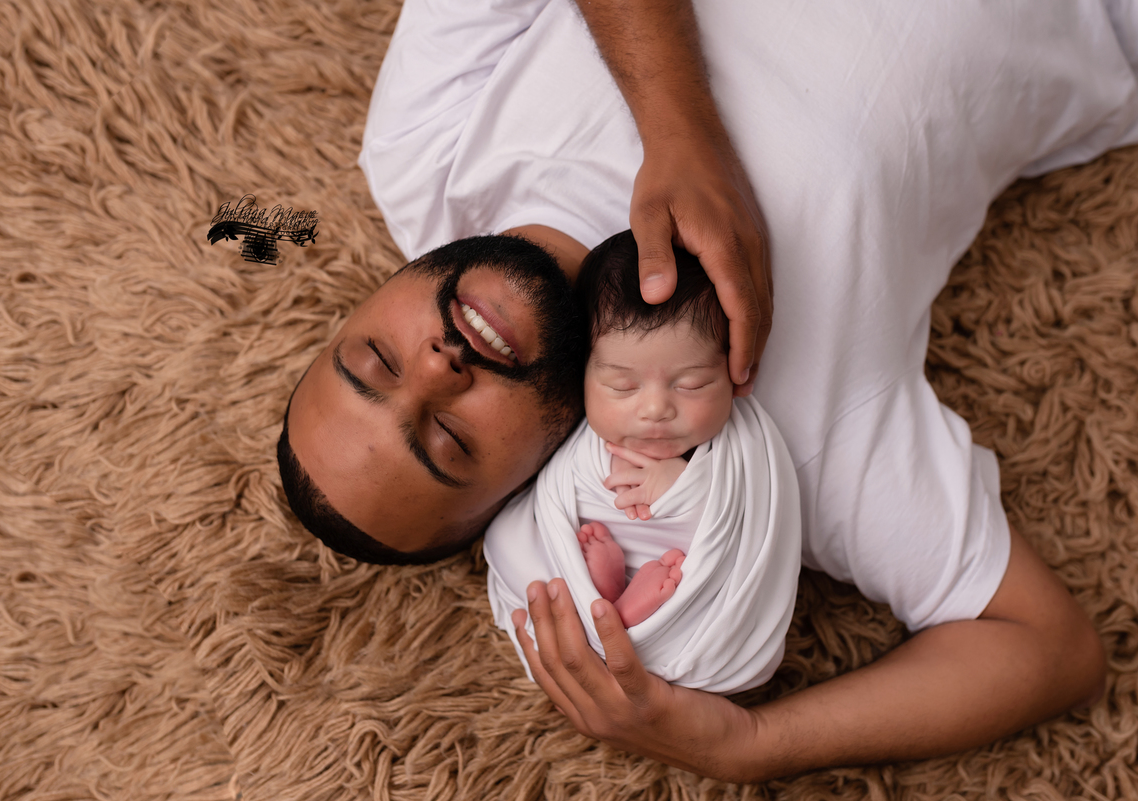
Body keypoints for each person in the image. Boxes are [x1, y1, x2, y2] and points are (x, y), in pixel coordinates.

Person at [281, 0, 1138, 782]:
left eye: (374, 361)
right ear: (519, 492)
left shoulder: (425, 148)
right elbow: (1051, 648)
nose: (436, 365)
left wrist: (682, 132)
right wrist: (749, 746)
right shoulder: (776, 447)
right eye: (448, 440)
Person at [483, 230, 801, 694]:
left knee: (683, 583)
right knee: (511, 540)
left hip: (690, 598)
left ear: (735, 370)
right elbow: (554, 497)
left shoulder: (744, 447)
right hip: (580, 552)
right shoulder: (577, 437)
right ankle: (601, 603)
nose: (655, 410)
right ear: (584, 373)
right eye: (621, 387)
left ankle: (621, 619)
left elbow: (755, 516)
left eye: (691, 384)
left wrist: (686, 486)